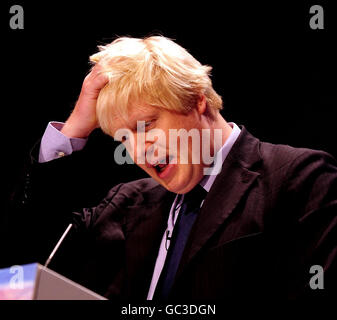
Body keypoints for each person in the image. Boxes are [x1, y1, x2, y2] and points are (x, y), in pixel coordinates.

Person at [6, 36, 337, 302]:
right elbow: (19, 268)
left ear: (195, 99)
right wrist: (75, 128)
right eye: (123, 137)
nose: (136, 150)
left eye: (146, 125)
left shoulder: (299, 177)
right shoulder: (125, 202)